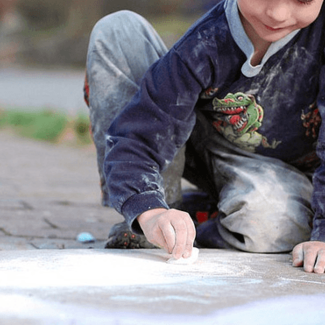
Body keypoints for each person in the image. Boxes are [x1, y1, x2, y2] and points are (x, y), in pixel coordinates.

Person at [84, 0, 325, 273]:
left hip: (280, 176)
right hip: (199, 141)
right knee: (118, 29)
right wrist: (151, 212)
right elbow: (142, 131)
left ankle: (202, 217)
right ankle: (161, 218)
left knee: (273, 223)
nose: (277, 13)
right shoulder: (204, 42)